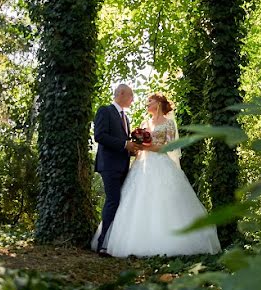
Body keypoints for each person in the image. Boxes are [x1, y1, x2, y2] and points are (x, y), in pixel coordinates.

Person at [91, 93, 221, 257]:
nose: (147, 104)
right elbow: (136, 144)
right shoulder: (145, 123)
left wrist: (147, 148)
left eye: (150, 101)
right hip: (142, 165)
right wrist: (138, 148)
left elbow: (170, 147)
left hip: (161, 163)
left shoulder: (169, 123)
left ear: (158, 104)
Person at [92, 83, 141, 255]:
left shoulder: (125, 118)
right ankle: (102, 242)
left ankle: (113, 242)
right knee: (113, 201)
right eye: (131, 96)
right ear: (120, 93)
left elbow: (124, 142)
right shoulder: (105, 111)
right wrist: (124, 144)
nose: (132, 100)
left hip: (123, 165)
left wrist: (132, 149)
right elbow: (100, 135)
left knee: (120, 202)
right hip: (109, 165)